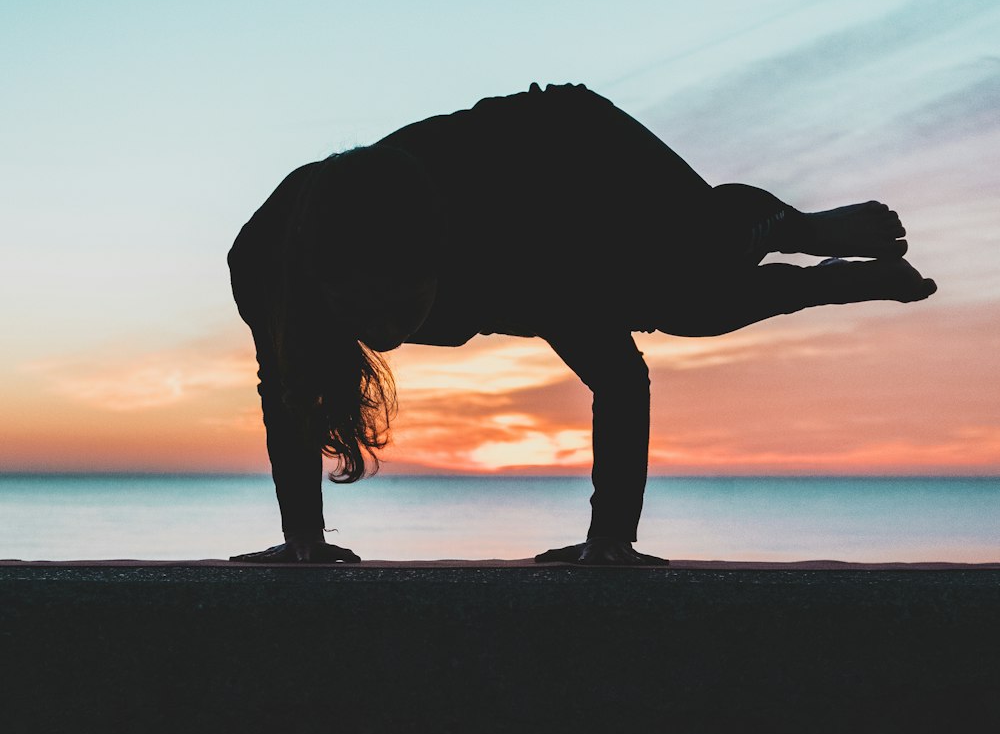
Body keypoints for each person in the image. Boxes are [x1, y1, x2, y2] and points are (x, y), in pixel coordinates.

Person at [228, 82, 936, 566]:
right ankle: (832, 280)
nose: (381, 332)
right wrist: (302, 542)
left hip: (572, 148)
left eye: (396, 308)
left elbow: (620, 375)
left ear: (438, 270)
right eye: (360, 312)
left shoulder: (514, 252)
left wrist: (610, 541)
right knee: (679, 300)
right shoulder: (267, 265)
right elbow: (286, 393)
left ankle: (793, 226)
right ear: (323, 283)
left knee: (691, 294)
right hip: (479, 186)